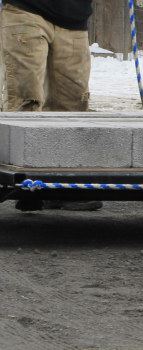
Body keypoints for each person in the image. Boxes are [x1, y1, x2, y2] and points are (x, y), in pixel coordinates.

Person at [0, 0, 102, 211]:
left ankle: (61, 189)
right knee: (26, 102)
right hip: (25, 10)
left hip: (74, 19)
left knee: (72, 107)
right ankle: (26, 187)